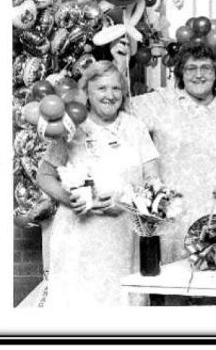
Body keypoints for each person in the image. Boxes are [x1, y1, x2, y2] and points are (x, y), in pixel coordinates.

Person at [36, 61, 160, 306]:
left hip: (122, 236)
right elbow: (44, 176)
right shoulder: (72, 127)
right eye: (102, 88)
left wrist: (128, 202)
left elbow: (153, 181)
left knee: (120, 305)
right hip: (78, 238)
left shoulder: (135, 127)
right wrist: (69, 199)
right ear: (87, 92)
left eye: (116, 88)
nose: (110, 95)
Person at [112, 40, 216, 264]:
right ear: (181, 73)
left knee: (213, 284)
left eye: (206, 68)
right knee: (173, 284)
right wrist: (120, 64)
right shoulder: (161, 101)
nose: (199, 75)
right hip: (170, 217)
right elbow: (120, 105)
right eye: (191, 68)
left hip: (215, 216)